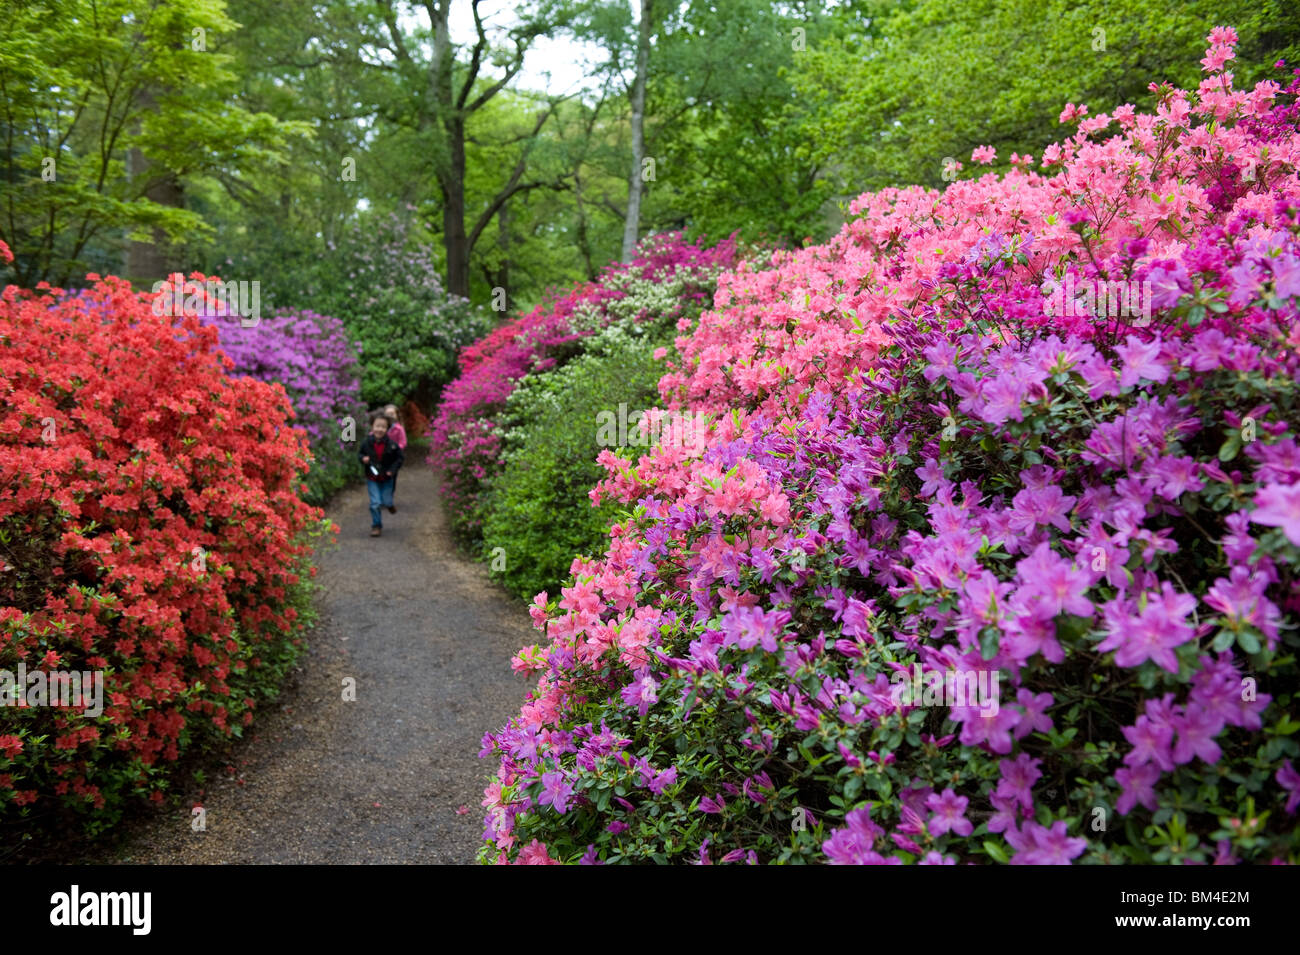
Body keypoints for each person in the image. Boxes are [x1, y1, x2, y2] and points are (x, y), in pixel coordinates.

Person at [358, 412, 403, 537]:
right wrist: (363, 459)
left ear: (387, 429)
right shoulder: (366, 443)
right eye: (377, 426)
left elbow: (399, 459)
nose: (380, 429)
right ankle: (376, 525)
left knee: (387, 501)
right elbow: (360, 455)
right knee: (375, 503)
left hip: (387, 478)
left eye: (383, 427)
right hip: (372, 478)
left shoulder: (392, 445)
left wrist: (392, 471)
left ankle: (390, 505)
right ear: (372, 426)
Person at [383, 403, 407, 512]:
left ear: (396, 415)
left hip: (394, 458)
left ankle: (389, 496)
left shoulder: (399, 429)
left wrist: (396, 448)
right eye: (387, 414)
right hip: (382, 457)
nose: (390, 416)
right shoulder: (381, 427)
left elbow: (403, 442)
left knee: (392, 477)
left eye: (392, 414)